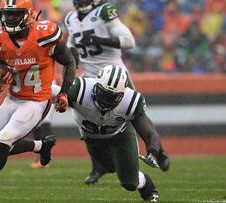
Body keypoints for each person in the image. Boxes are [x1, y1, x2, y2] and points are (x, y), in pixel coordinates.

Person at [0, 0, 76, 202]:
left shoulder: (45, 34)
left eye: (15, 14)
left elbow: (70, 62)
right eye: (7, 14)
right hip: (13, 98)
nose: (10, 19)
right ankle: (41, 146)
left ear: (28, 15)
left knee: (5, 140)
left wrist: (63, 92)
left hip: (36, 100)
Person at [64, 0, 169, 184]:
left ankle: (157, 151)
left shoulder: (104, 12)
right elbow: (71, 42)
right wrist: (71, 56)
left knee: (135, 115)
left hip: (117, 77)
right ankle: (99, 164)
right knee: (84, 122)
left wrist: (100, 40)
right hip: (91, 79)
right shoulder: (71, 18)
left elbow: (129, 41)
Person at [68, 65, 168, 202]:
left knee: (129, 183)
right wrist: (60, 99)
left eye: (112, 97)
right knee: (108, 167)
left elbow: (150, 133)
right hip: (92, 138)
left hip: (120, 136)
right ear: (95, 85)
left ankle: (149, 190)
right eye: (103, 93)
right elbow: (49, 93)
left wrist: (153, 152)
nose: (106, 100)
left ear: (123, 94)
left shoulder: (130, 102)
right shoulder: (79, 89)